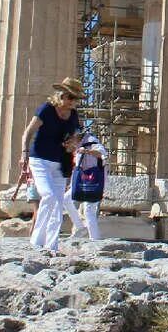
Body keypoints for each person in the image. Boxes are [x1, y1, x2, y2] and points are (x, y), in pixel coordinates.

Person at [20, 78, 84, 251]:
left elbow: (76, 137)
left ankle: (51, 245)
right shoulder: (46, 110)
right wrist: (24, 155)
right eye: (70, 97)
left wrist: (72, 144)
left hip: (59, 163)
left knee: (57, 204)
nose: (72, 101)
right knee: (48, 196)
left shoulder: (74, 115)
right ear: (61, 95)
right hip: (39, 159)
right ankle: (36, 241)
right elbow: (28, 133)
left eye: (75, 98)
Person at [69, 131, 106, 241]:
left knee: (89, 209)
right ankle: (81, 227)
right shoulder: (78, 144)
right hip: (83, 181)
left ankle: (95, 239)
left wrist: (87, 151)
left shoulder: (91, 141)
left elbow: (102, 153)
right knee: (66, 200)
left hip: (94, 181)